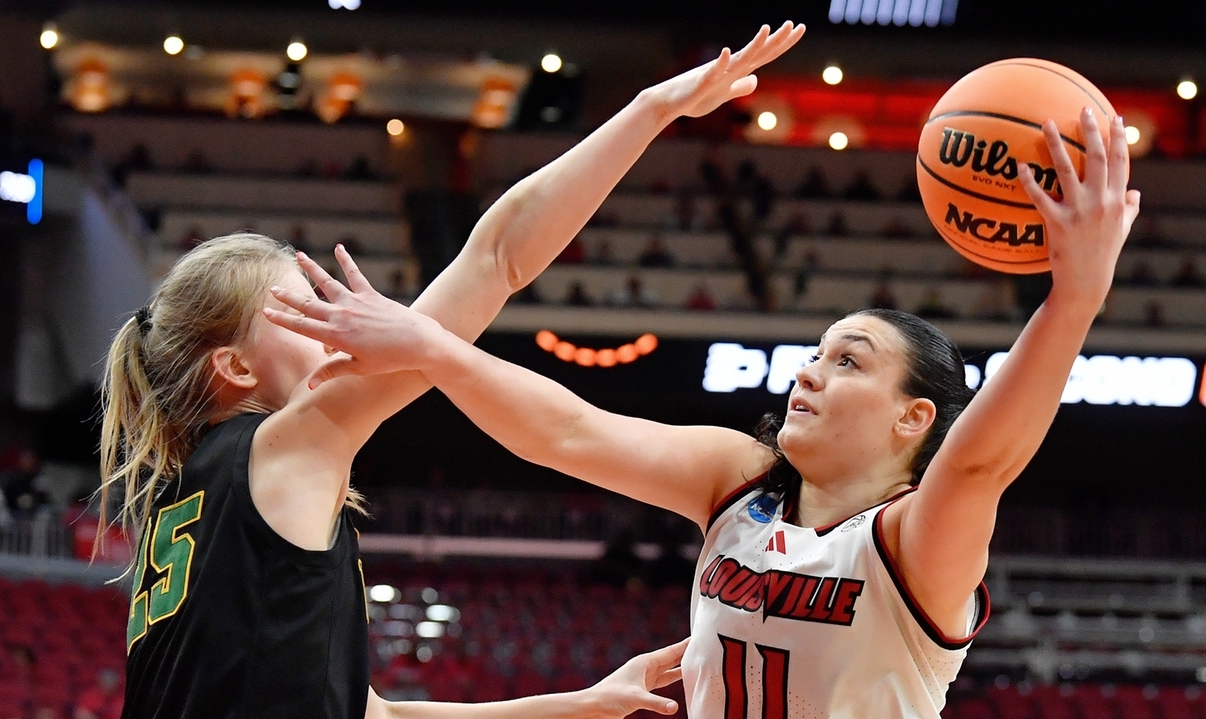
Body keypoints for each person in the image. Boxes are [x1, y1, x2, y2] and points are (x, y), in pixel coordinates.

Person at [268, 109, 1139, 718]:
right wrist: (429, 346)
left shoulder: (912, 541)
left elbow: (981, 459)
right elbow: (566, 431)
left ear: (914, 417)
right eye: (815, 353)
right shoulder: (738, 482)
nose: (810, 373)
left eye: (848, 361)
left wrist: (1074, 298)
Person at [99, 21, 806, 719]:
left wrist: (580, 705)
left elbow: (375, 715)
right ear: (234, 366)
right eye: (306, 307)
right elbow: (496, 258)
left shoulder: (193, 504)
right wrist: (649, 111)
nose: (335, 319)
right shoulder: (283, 448)